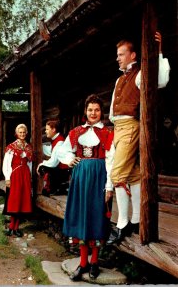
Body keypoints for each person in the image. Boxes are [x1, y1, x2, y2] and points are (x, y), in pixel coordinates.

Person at [106, 31, 171, 245]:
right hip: (119, 128)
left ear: (133, 55)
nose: (118, 58)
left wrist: (159, 53)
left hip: (131, 127)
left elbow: (160, 80)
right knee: (132, 174)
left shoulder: (140, 74)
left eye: (122, 54)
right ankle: (135, 219)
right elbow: (113, 111)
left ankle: (122, 223)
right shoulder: (119, 80)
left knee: (117, 174)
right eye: (117, 54)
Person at [57, 94, 114, 281]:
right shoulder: (76, 132)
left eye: (97, 110)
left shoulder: (106, 133)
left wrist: (109, 187)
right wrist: (69, 159)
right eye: (90, 109)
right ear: (85, 111)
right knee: (82, 217)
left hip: (99, 178)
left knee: (96, 217)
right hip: (80, 179)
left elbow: (111, 161)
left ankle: (95, 262)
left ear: (101, 112)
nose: (93, 113)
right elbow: (62, 150)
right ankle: (83, 263)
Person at [2, 124, 34, 237]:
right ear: (17, 133)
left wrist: (29, 178)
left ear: (26, 133)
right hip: (15, 175)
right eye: (20, 132)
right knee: (14, 201)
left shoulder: (29, 147)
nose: (22, 134)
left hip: (25, 176)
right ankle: (11, 227)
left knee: (22, 201)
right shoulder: (11, 147)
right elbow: (6, 163)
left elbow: (30, 164)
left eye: (24, 132)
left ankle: (16, 228)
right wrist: (7, 178)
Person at [36, 118, 71, 195]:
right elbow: (51, 152)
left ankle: (56, 187)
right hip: (60, 170)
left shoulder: (60, 142)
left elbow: (54, 162)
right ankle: (51, 187)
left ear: (53, 130)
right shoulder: (56, 140)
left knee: (43, 167)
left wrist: (41, 164)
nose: (45, 131)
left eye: (47, 129)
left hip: (63, 172)